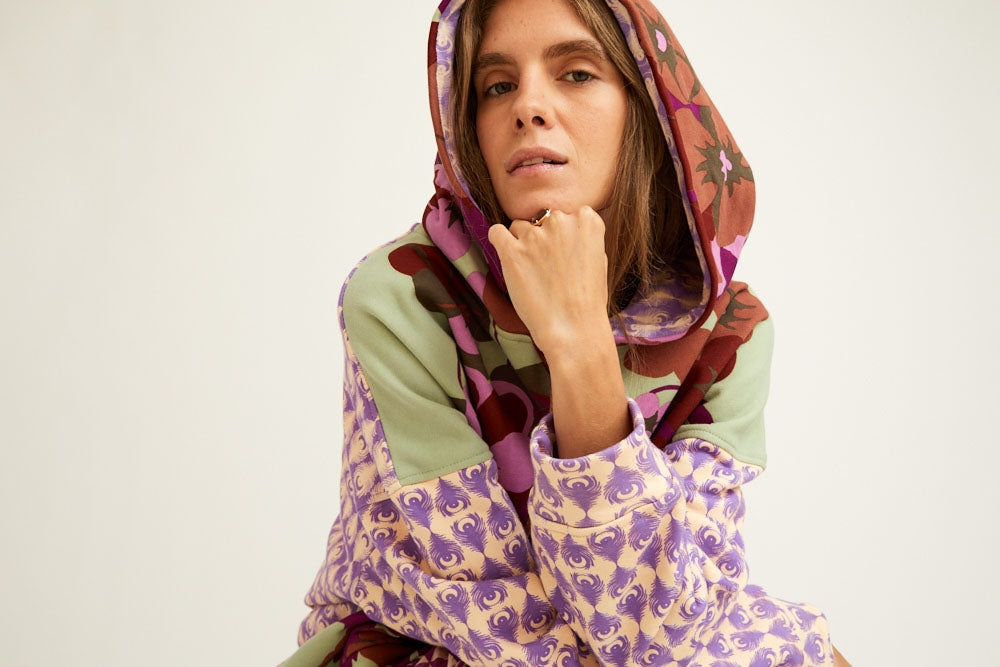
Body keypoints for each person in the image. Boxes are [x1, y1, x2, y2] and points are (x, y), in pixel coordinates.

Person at [285, 0, 849, 664]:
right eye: (497, 86)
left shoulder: (727, 334)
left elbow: (660, 629)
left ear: (650, 109)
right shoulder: (404, 299)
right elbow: (495, 616)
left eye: (577, 73)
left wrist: (580, 342)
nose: (528, 106)